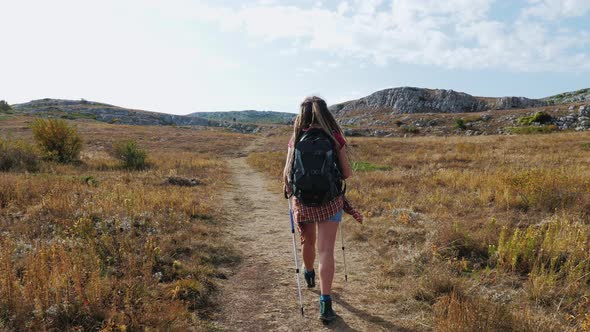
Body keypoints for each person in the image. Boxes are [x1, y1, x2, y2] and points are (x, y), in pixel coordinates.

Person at [283, 96, 362, 322]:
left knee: (308, 240)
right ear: (325, 113)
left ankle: (308, 273)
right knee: (326, 250)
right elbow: (346, 173)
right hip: (330, 201)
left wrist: (293, 193)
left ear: (303, 115)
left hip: (303, 201)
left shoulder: (296, 137)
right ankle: (325, 304)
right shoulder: (335, 137)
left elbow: (287, 175)